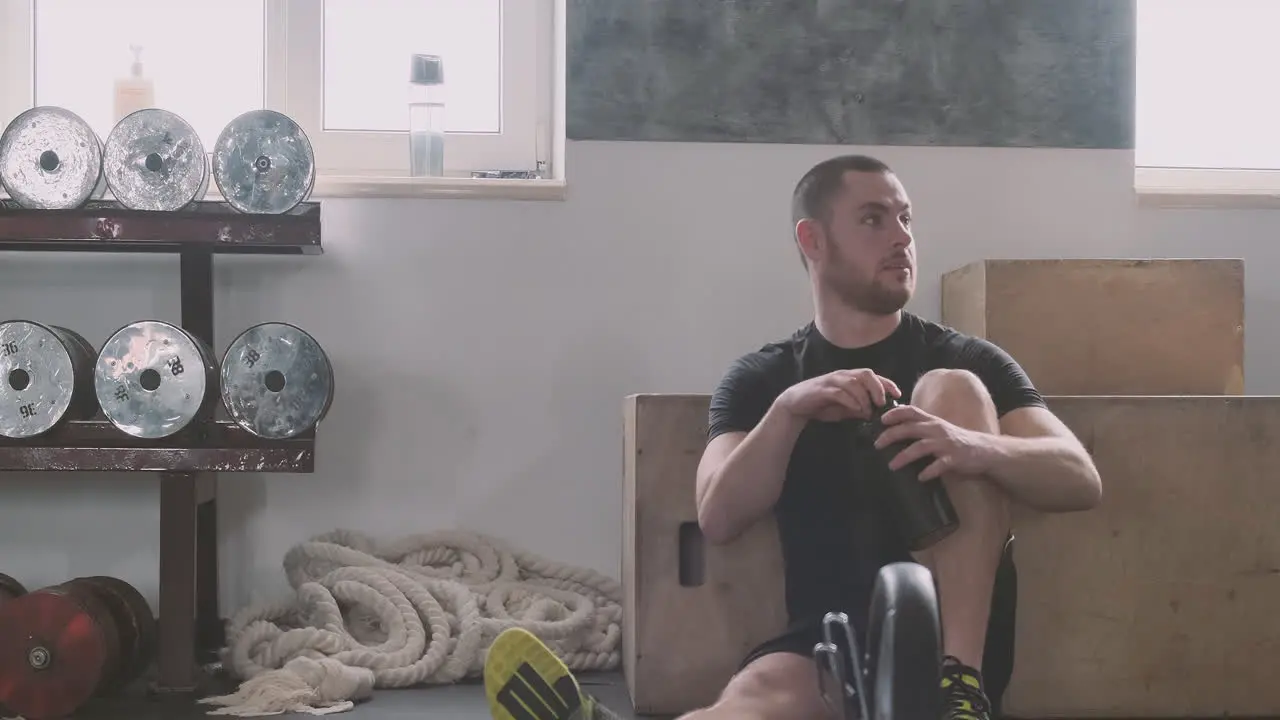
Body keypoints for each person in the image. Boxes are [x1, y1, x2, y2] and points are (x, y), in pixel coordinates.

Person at [689, 154, 1102, 720]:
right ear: (812, 239)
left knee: (952, 389)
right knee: (748, 702)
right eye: (872, 219)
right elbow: (717, 516)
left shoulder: (964, 359)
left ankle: (959, 690)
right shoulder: (764, 379)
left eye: (905, 219)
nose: (901, 237)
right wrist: (788, 413)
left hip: (943, 650)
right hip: (830, 647)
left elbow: (1079, 477)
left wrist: (974, 446)